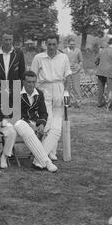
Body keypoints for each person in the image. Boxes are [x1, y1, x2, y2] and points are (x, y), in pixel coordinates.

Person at [30, 33, 72, 161]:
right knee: (47, 122)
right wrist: (35, 94)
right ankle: (44, 152)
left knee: (56, 123)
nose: (52, 47)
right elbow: (33, 76)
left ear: (57, 44)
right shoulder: (39, 57)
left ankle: (51, 151)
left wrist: (66, 91)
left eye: (54, 44)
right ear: (45, 44)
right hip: (44, 89)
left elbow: (68, 75)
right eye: (49, 44)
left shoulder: (64, 57)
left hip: (59, 88)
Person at [13, 71, 57, 172]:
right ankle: (47, 162)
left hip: (34, 121)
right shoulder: (16, 93)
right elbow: (16, 114)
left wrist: (41, 124)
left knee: (52, 130)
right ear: (23, 82)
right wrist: (30, 125)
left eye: (33, 82)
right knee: (24, 127)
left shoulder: (39, 93)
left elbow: (43, 112)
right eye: (29, 82)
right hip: (19, 121)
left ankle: (38, 161)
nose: (31, 84)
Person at [95, 38, 112, 108]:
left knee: (100, 89)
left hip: (100, 72)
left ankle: (99, 103)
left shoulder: (101, 51)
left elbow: (96, 60)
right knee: (110, 89)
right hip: (109, 72)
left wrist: (100, 65)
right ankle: (108, 105)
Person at [65, 38, 83, 107]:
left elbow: (81, 61)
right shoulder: (64, 51)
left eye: (74, 44)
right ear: (68, 44)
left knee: (76, 87)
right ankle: (67, 102)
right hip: (67, 72)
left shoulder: (78, 51)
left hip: (76, 71)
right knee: (67, 87)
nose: (73, 45)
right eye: (71, 44)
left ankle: (78, 102)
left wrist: (79, 67)